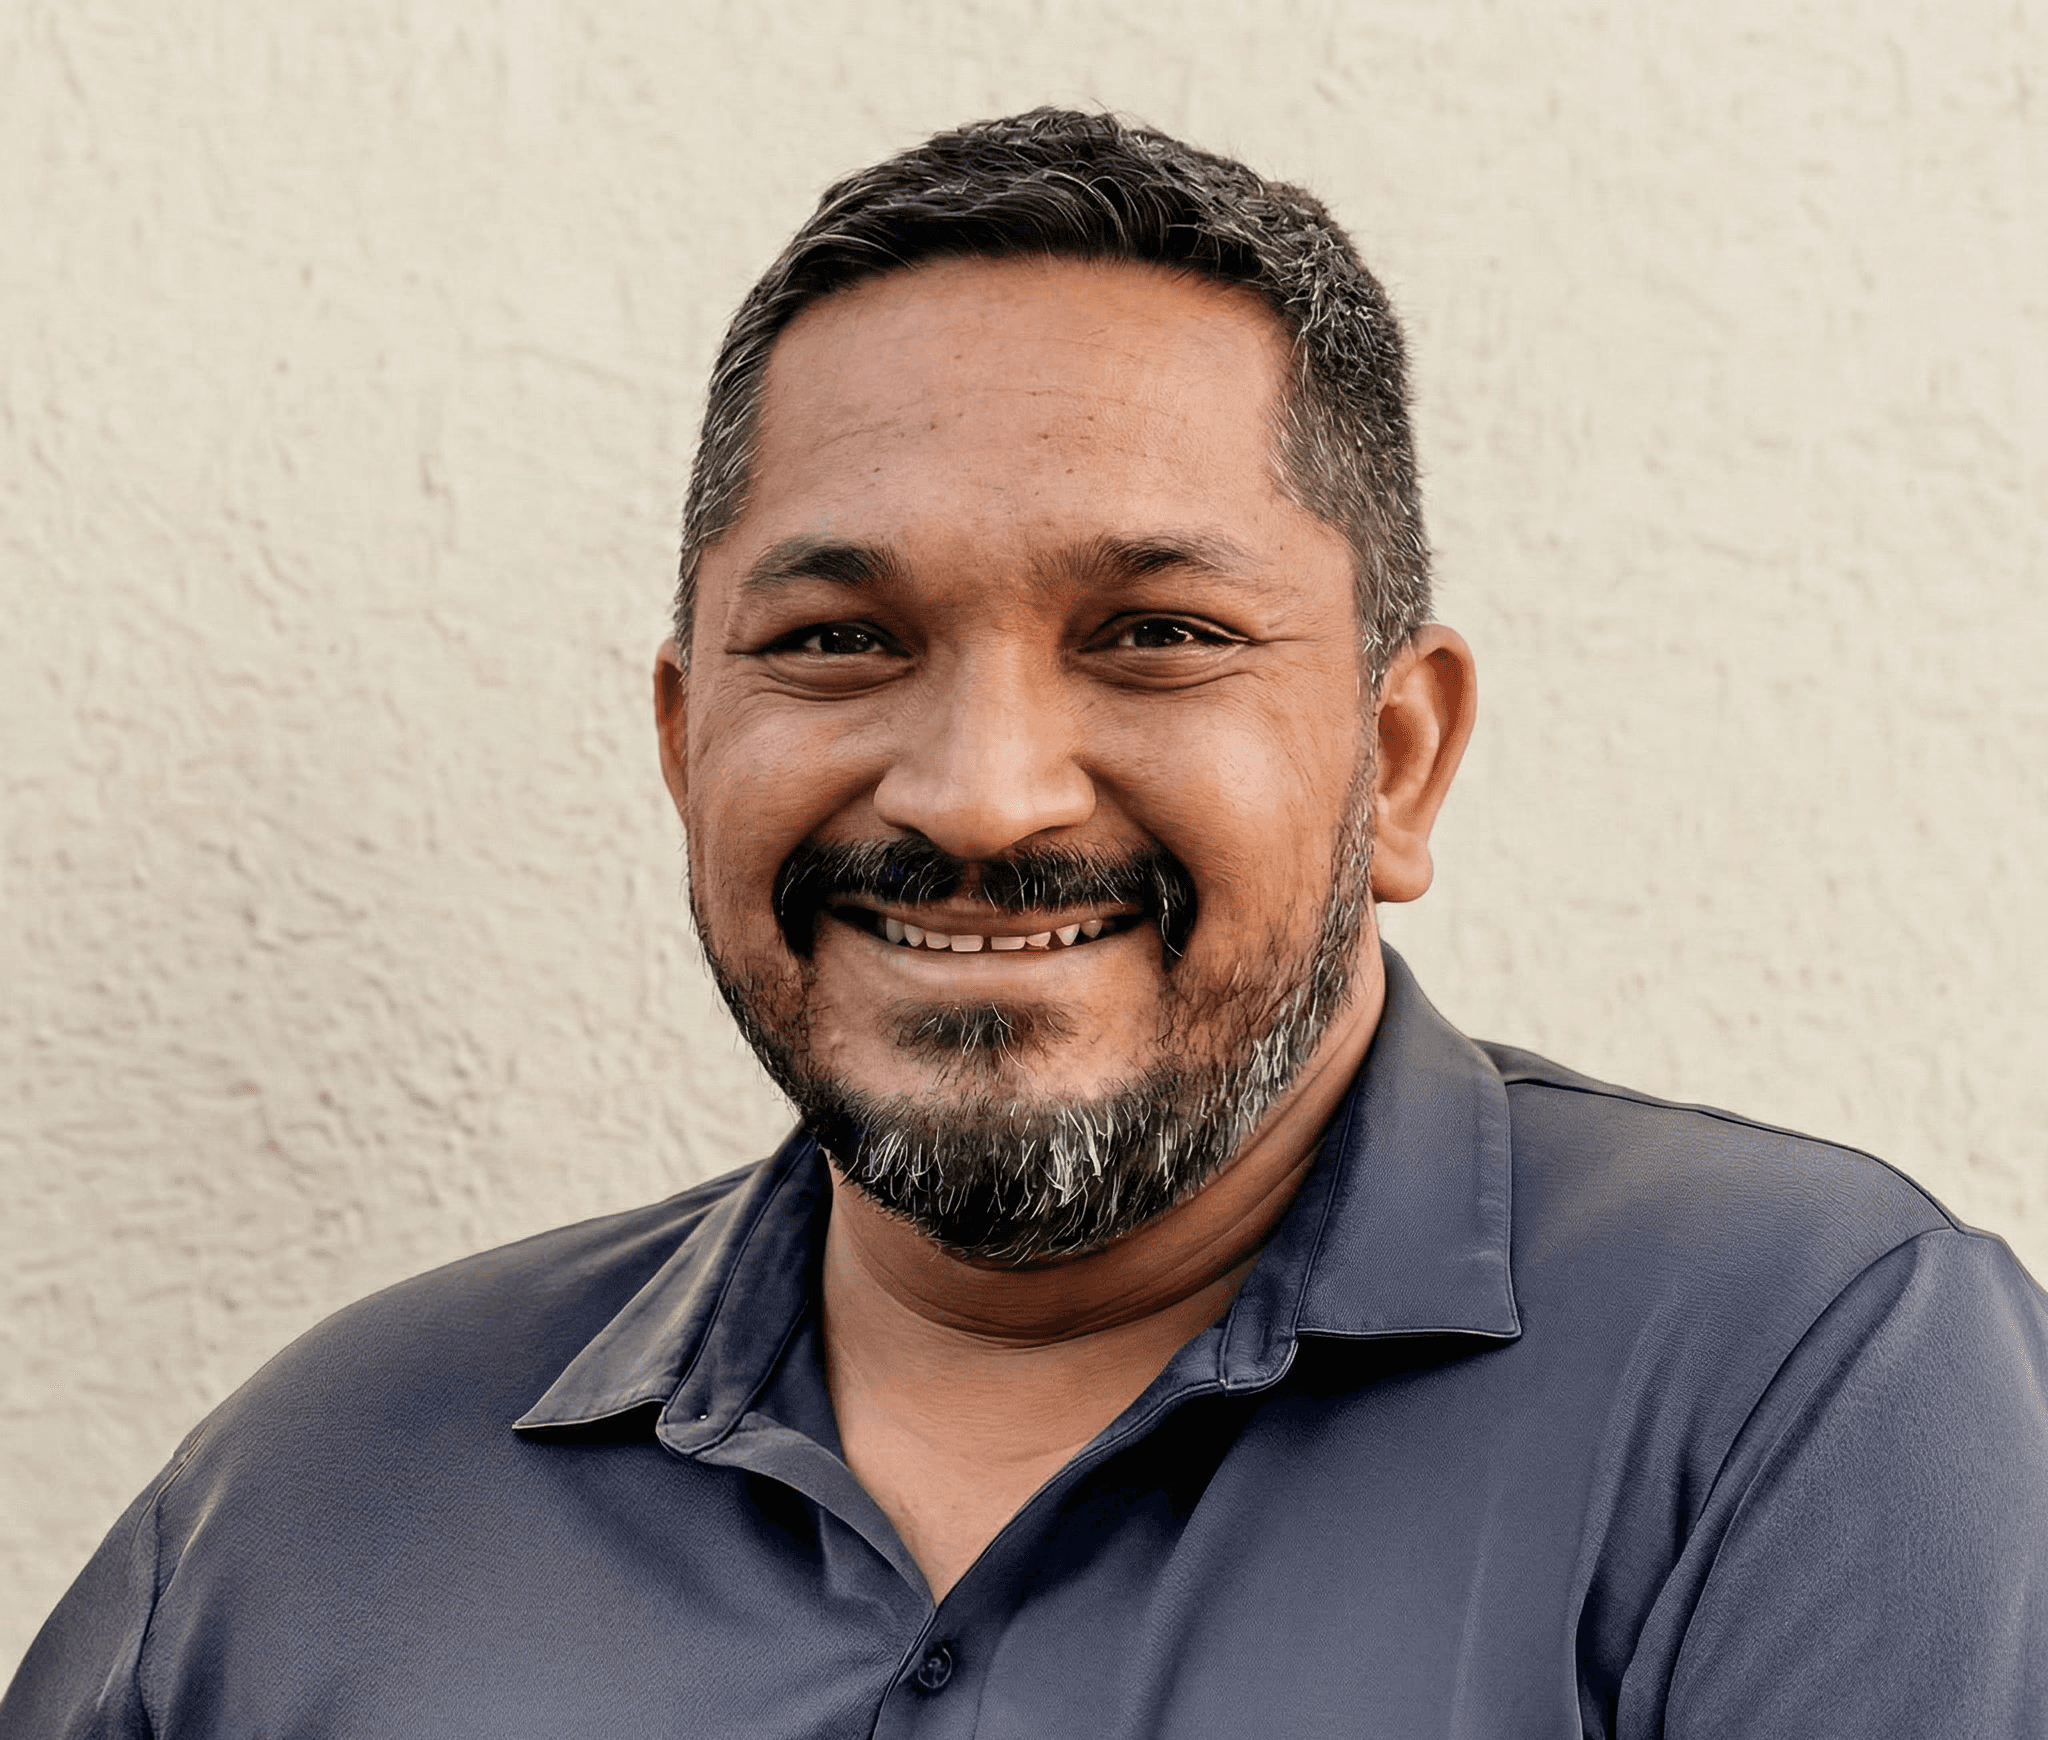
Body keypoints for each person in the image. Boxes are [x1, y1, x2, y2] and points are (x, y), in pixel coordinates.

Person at [7, 107, 2045, 1739]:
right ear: (681, 736)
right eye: (834, 642)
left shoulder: (1803, 1381)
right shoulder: (324, 1494)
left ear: (1396, 758)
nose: (979, 796)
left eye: (1152, 636)